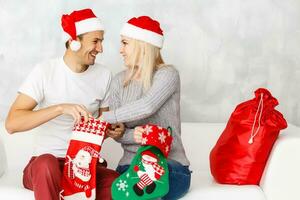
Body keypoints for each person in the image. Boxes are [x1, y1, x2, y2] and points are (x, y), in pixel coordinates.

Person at [5, 8, 119, 200]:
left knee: (118, 183)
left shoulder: (104, 75)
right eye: (95, 41)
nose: (101, 49)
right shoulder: (44, 71)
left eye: (102, 41)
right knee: (46, 165)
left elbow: (103, 124)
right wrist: (60, 108)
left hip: (83, 167)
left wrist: (111, 130)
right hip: (45, 166)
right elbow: (11, 124)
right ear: (74, 42)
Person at [101, 16, 191, 200]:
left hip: (169, 165)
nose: (121, 50)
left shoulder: (167, 75)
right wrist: (128, 134)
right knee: (127, 182)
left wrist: (106, 118)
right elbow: (119, 132)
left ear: (142, 45)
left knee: (146, 180)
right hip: (129, 166)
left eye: (125, 43)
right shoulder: (119, 81)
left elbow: (147, 105)